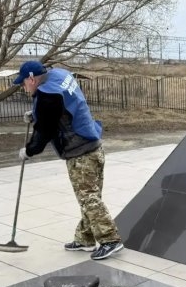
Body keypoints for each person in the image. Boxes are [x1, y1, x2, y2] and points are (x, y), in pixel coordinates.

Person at [14, 60, 124, 261]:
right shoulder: (60, 75)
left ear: (32, 79)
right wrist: (37, 114)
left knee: (88, 198)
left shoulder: (48, 96)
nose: (23, 87)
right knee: (89, 196)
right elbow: (62, 106)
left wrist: (29, 151)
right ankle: (85, 239)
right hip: (93, 144)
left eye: (23, 83)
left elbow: (44, 132)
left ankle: (110, 240)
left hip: (80, 152)